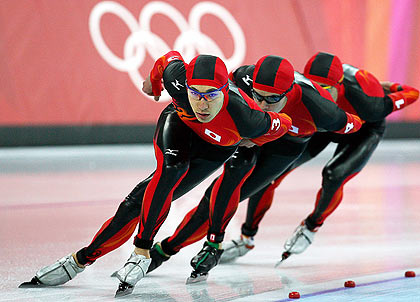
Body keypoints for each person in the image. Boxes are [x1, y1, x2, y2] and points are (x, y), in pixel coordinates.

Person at [19, 51, 293, 297]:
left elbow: (284, 124)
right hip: (178, 125)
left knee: (154, 196)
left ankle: (101, 256)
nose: (203, 104)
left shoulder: (247, 117)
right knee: (157, 183)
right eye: (196, 93)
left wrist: (254, 141)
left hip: (216, 149)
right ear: (186, 87)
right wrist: (153, 84)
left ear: (225, 91)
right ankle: (112, 255)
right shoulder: (178, 81)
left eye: (211, 95)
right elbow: (167, 60)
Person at [145, 55, 363, 282]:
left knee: (243, 192)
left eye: (272, 99)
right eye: (258, 96)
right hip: (254, 133)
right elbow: (227, 96)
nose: (263, 104)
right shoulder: (244, 77)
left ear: (288, 94)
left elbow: (354, 124)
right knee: (221, 189)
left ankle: (170, 249)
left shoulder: (323, 109)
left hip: (284, 148)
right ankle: (184, 247)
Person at [217, 51, 419, 264]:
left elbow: (412, 92)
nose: (318, 93)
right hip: (321, 127)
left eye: (326, 89)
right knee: (272, 175)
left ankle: (311, 226)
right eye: (314, 86)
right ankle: (246, 237)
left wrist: (390, 88)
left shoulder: (370, 102)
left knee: (334, 175)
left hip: (363, 128)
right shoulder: (310, 98)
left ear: (340, 86)